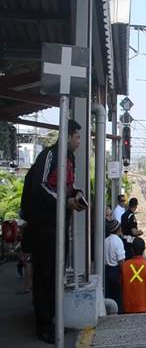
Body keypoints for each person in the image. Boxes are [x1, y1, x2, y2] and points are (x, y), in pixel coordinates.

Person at [23, 119, 86, 343]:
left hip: (59, 227)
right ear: (67, 136)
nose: (79, 142)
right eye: (77, 137)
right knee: (45, 277)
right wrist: (65, 202)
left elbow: (67, 187)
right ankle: (44, 326)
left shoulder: (70, 159)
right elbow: (40, 187)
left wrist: (76, 196)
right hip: (44, 228)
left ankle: (53, 321)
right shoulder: (49, 156)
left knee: (56, 277)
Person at [121, 237, 146, 314]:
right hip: (145, 306)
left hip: (129, 307)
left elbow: (121, 286)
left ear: (132, 250)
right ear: (144, 249)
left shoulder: (124, 266)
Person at [104, 218, 125, 312]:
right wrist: (123, 273)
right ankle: (118, 313)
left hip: (106, 270)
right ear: (118, 229)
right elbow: (121, 261)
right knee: (118, 295)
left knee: (109, 294)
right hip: (115, 270)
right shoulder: (118, 241)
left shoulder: (105, 240)